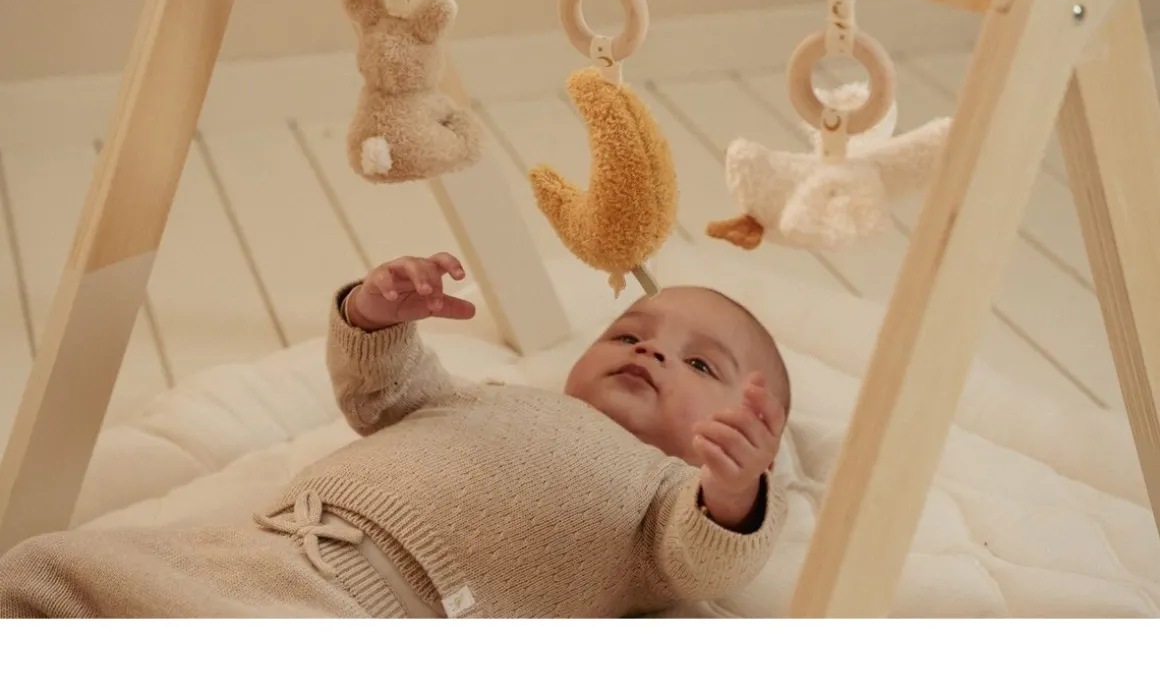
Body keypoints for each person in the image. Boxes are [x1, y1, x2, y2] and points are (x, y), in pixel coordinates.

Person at [0, 252, 791, 619]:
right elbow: (384, 393)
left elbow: (709, 557)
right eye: (628, 333)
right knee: (57, 567)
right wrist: (375, 319)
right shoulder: (491, 397)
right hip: (252, 547)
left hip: (360, 615)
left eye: (700, 363)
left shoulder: (663, 500)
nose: (651, 351)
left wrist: (734, 490)